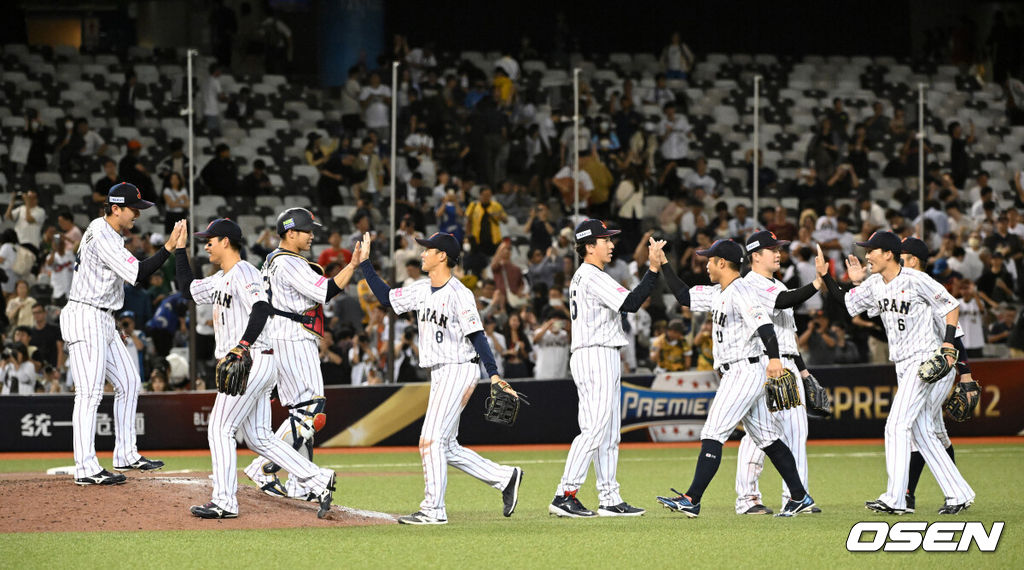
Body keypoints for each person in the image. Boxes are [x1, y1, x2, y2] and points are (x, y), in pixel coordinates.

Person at [174, 218, 338, 519]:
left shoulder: (245, 272)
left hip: (252, 358)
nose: (206, 245)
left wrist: (242, 345)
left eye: (210, 239)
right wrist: (179, 250)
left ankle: (224, 501)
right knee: (259, 437)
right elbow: (186, 289)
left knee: (220, 429)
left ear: (226, 241)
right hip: (255, 361)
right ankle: (318, 478)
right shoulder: (220, 278)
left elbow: (261, 308)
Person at [357, 231, 524, 525]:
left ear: (442, 256)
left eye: (427, 250)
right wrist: (366, 263)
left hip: (459, 368)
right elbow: (385, 298)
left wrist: (494, 374)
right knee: (446, 446)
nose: (422, 254)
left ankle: (433, 510)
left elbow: (477, 336)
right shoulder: (421, 289)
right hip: (440, 372)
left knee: (429, 440)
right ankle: (505, 477)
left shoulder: (460, 294)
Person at [656, 239, 815, 517]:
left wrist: (775, 358)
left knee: (712, 433)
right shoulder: (719, 291)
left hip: (743, 370)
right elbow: (683, 295)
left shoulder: (742, 290)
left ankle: (692, 498)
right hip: (740, 370)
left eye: (709, 259)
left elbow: (765, 326)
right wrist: (663, 263)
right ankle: (800, 496)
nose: (705, 264)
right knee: (768, 438)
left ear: (721, 263)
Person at [822, 231, 974, 514]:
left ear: (889, 254)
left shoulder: (916, 279)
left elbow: (951, 306)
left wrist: (947, 343)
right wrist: (826, 276)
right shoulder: (876, 284)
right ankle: (958, 493)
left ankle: (896, 498)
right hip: (902, 364)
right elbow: (847, 301)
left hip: (924, 359)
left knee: (896, 425)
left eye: (872, 250)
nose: (867, 255)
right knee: (922, 431)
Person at [60, 183, 180, 485]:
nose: (137, 214)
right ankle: (85, 467)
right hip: (86, 315)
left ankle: (125, 453)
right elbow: (139, 275)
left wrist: (110, 321)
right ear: (116, 208)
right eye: (133, 208)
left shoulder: (103, 229)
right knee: (89, 394)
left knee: (129, 381)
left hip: (101, 316)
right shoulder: (102, 234)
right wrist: (168, 248)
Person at [549, 220, 665, 518]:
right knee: (595, 428)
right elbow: (631, 303)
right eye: (605, 240)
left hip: (603, 353)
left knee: (610, 432)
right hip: (594, 354)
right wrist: (652, 270)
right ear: (589, 246)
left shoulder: (589, 275)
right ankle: (565, 493)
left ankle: (609, 497)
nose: (611, 245)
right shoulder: (589, 274)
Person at [243, 208, 360, 500]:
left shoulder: (272, 261)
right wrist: (353, 264)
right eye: (307, 231)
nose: (311, 235)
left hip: (282, 334)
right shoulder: (287, 262)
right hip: (292, 336)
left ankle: (300, 483)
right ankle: (261, 466)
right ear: (290, 232)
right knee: (310, 411)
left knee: (301, 412)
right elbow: (328, 290)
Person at [733, 231, 826, 515]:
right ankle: (752, 498)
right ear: (755, 256)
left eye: (779, 248)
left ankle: (792, 497)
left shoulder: (778, 283)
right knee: (761, 434)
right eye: (771, 249)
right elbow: (786, 300)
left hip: (786, 363)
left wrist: (804, 371)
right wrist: (818, 282)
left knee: (786, 432)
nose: (778, 253)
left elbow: (789, 336)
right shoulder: (750, 284)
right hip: (764, 364)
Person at [898, 236, 981, 513]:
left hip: (937, 371)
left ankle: (908, 495)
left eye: (902, 255)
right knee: (937, 433)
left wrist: (965, 374)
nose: (898, 259)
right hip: (921, 370)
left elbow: (955, 335)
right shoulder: (904, 285)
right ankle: (954, 493)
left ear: (914, 260)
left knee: (919, 429)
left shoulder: (929, 287)